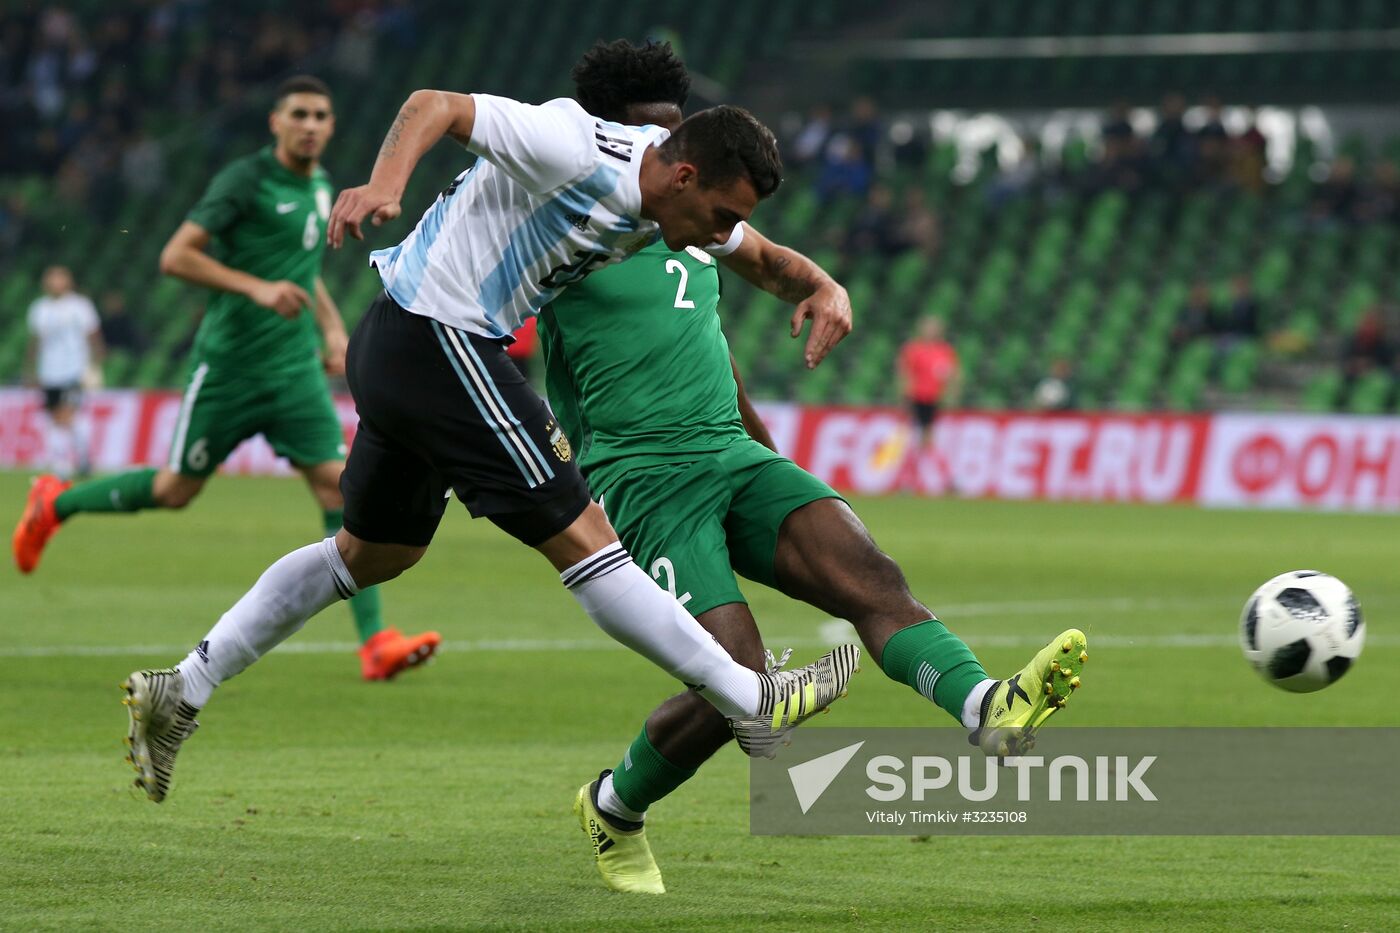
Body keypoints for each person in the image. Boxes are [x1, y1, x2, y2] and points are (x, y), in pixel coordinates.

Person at [115, 64, 862, 805]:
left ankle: (182, 686)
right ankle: (750, 697)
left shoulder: (675, 198)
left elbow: (765, 260)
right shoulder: (574, 144)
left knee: (371, 553)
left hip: (403, 345)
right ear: (685, 177)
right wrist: (384, 187)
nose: (724, 233)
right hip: (439, 337)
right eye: (723, 214)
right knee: (587, 538)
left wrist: (825, 287)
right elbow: (432, 102)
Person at [544, 40, 1090, 894]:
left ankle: (987, 707)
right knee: (744, 687)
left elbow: (718, 333)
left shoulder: (702, 225)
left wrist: (770, 428)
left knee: (870, 573)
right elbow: (488, 344)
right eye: (653, 144)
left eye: (677, 145)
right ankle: (614, 806)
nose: (668, 163)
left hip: (729, 451)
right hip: (642, 478)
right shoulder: (562, 224)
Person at [12, 76, 439, 682]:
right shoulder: (244, 181)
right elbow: (175, 255)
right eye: (299, 114)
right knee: (173, 492)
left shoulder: (320, 187)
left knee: (336, 492)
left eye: (321, 115)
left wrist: (332, 331)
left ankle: (375, 643)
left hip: (292, 371)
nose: (311, 124)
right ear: (276, 122)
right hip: (230, 369)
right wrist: (256, 288)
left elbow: (304, 267)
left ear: (332, 126)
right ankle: (56, 501)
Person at [23, 265, 103, 480]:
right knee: (54, 417)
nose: (55, 282)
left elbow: (93, 335)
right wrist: (30, 370)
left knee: (68, 414)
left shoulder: (80, 306)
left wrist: (95, 363)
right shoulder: (39, 308)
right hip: (49, 372)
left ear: (69, 281)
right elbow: (35, 342)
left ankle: (74, 461)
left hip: (74, 369)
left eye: (60, 278)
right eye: (51, 278)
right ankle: (68, 462)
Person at [898, 315, 959, 448]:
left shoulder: (945, 350)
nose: (930, 331)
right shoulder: (913, 349)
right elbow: (905, 373)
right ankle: (913, 460)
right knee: (910, 432)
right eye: (928, 328)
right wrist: (906, 394)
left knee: (929, 432)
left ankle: (923, 458)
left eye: (933, 328)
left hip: (935, 398)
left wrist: (951, 394)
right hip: (917, 396)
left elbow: (953, 374)